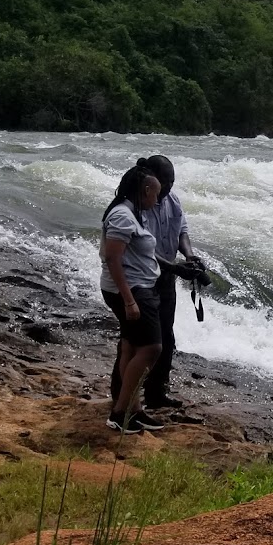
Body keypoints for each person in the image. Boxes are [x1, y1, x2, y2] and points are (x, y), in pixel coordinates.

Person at [110, 155, 201, 410]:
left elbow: (182, 231)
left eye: (172, 182)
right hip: (143, 279)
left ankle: (156, 393)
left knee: (165, 337)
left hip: (167, 277)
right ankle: (121, 396)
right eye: (166, 182)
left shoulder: (172, 200)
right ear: (150, 180)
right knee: (136, 341)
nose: (169, 187)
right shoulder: (136, 208)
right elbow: (143, 250)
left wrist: (189, 255)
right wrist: (174, 267)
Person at [100, 165, 167, 433]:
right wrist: (129, 300)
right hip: (132, 290)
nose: (158, 200)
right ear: (146, 190)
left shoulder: (133, 213)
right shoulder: (123, 215)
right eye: (156, 194)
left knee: (130, 347)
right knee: (152, 349)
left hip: (136, 287)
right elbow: (112, 258)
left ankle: (133, 409)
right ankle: (120, 413)